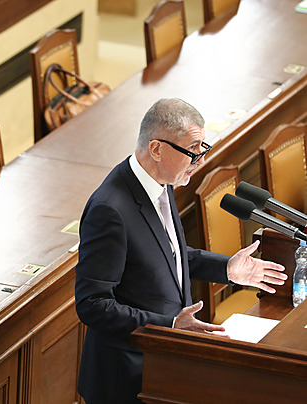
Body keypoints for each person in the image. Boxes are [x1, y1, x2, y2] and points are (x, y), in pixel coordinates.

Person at [74, 98, 287, 403]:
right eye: (192, 152)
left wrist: (228, 269)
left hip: (166, 363)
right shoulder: (110, 210)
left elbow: (167, 254)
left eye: (203, 150)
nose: (199, 162)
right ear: (157, 149)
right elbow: (92, 305)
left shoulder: (161, 182)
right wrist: (170, 325)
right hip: (128, 377)